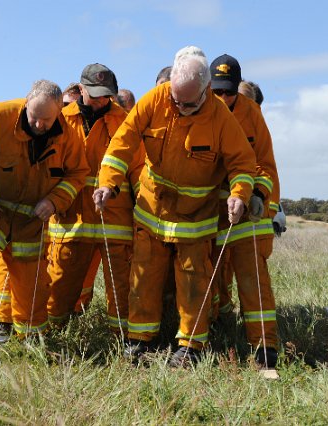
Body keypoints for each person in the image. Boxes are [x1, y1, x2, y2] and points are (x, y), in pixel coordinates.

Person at [93, 46, 257, 367]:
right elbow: (121, 145)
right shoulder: (156, 99)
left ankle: (190, 348)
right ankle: (138, 342)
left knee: (193, 283)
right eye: (176, 100)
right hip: (152, 210)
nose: (180, 107)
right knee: (144, 278)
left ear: (206, 89)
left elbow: (243, 162)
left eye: (189, 103)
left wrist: (239, 194)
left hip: (195, 218)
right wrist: (108, 182)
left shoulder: (221, 118)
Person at [0, 80, 89, 358]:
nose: (38, 125)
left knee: (33, 283)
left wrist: (53, 201)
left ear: (59, 114)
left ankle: (34, 342)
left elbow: (77, 175)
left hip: (29, 222)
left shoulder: (68, 137)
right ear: (26, 103)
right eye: (34, 117)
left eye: (46, 120)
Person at [47, 64, 144, 334]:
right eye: (96, 94)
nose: (102, 100)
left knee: (122, 287)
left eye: (107, 95)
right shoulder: (62, 120)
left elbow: (137, 168)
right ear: (81, 90)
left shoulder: (125, 121)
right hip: (71, 220)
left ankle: (124, 341)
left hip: (115, 219)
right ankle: (53, 338)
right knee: (60, 284)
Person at [209, 54, 280, 369]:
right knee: (207, 278)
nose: (223, 98)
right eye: (216, 92)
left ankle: (265, 349)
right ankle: (209, 337)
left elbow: (266, 164)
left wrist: (258, 194)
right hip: (208, 213)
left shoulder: (252, 114)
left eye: (228, 91)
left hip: (247, 214)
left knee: (254, 281)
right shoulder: (198, 111)